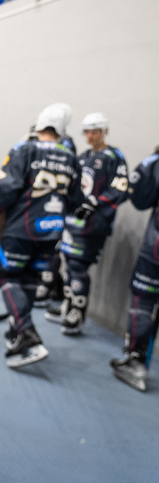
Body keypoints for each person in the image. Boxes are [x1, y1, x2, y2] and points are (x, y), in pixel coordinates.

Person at [0, 105, 83, 368]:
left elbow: (7, 186)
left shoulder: (26, 150)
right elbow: (77, 200)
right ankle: (16, 329)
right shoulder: (70, 157)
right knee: (31, 279)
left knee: (7, 275)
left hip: (22, 229)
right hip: (52, 231)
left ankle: (26, 332)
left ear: (40, 125)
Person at [44, 113, 129, 335]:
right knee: (68, 263)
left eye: (95, 132)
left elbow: (121, 188)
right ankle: (67, 305)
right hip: (73, 222)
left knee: (78, 267)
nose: (90, 136)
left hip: (94, 224)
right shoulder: (82, 157)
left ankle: (78, 314)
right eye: (87, 132)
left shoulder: (114, 156)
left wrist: (96, 202)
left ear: (105, 131)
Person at [109, 149, 159, 391]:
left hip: (155, 254)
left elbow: (139, 198)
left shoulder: (155, 163)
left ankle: (135, 362)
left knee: (143, 302)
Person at [32, 102, 76, 307]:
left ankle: (48, 286)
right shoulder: (36, 142)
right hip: (38, 203)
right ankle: (48, 285)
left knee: (51, 249)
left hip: (55, 206)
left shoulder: (67, 146)